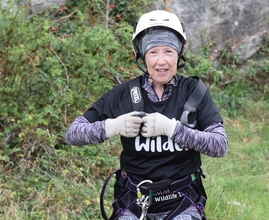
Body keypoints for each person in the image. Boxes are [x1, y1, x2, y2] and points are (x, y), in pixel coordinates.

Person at [65, 10, 228, 220]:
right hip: (133, 200)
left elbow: (220, 145)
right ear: (141, 55)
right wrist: (113, 126)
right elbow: (73, 133)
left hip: (182, 201)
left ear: (179, 54)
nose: (162, 61)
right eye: (153, 52)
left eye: (168, 51)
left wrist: (172, 129)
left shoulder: (194, 92)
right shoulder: (124, 94)